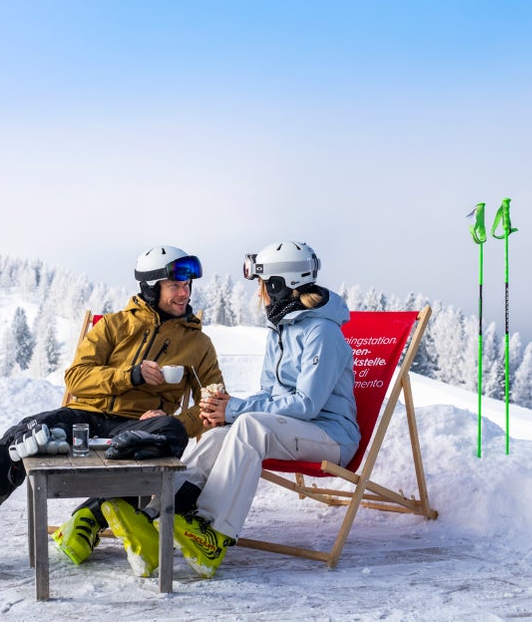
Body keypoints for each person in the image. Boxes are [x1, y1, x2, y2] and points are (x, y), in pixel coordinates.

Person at [0, 245, 223, 573]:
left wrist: (176, 419)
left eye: (187, 286)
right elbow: (77, 378)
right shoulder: (113, 327)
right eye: (176, 286)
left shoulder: (198, 344)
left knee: (168, 433)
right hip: (83, 418)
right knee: (25, 433)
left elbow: (213, 403)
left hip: (137, 428)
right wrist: (130, 375)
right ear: (151, 289)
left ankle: (90, 517)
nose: (185, 293)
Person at [100, 241, 358, 578]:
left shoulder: (322, 332)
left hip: (331, 435)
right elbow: (270, 394)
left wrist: (235, 408)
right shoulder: (282, 329)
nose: (260, 292)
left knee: (249, 426)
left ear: (281, 285)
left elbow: (306, 405)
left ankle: (212, 532)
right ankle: (157, 514)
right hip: (297, 428)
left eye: (263, 284)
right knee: (222, 432)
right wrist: (228, 413)